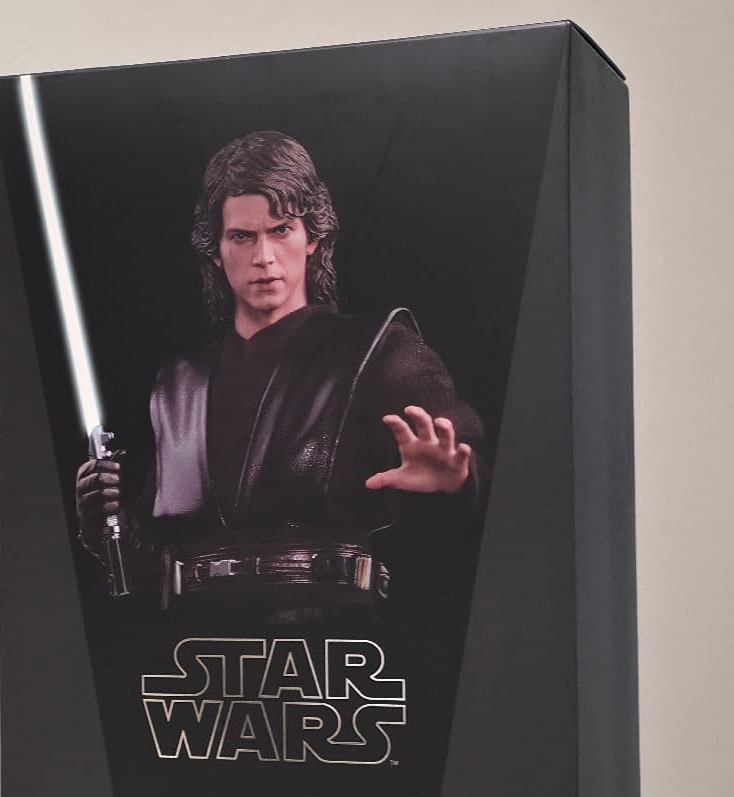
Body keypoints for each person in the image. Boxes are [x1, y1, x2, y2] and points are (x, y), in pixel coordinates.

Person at [76, 131, 487, 614]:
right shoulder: (179, 383)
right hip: (200, 635)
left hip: (333, 630)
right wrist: (109, 528)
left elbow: (465, 466)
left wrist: (456, 482)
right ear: (215, 249)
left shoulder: (378, 349)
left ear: (313, 237)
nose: (264, 257)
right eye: (243, 236)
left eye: (281, 230)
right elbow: (159, 558)